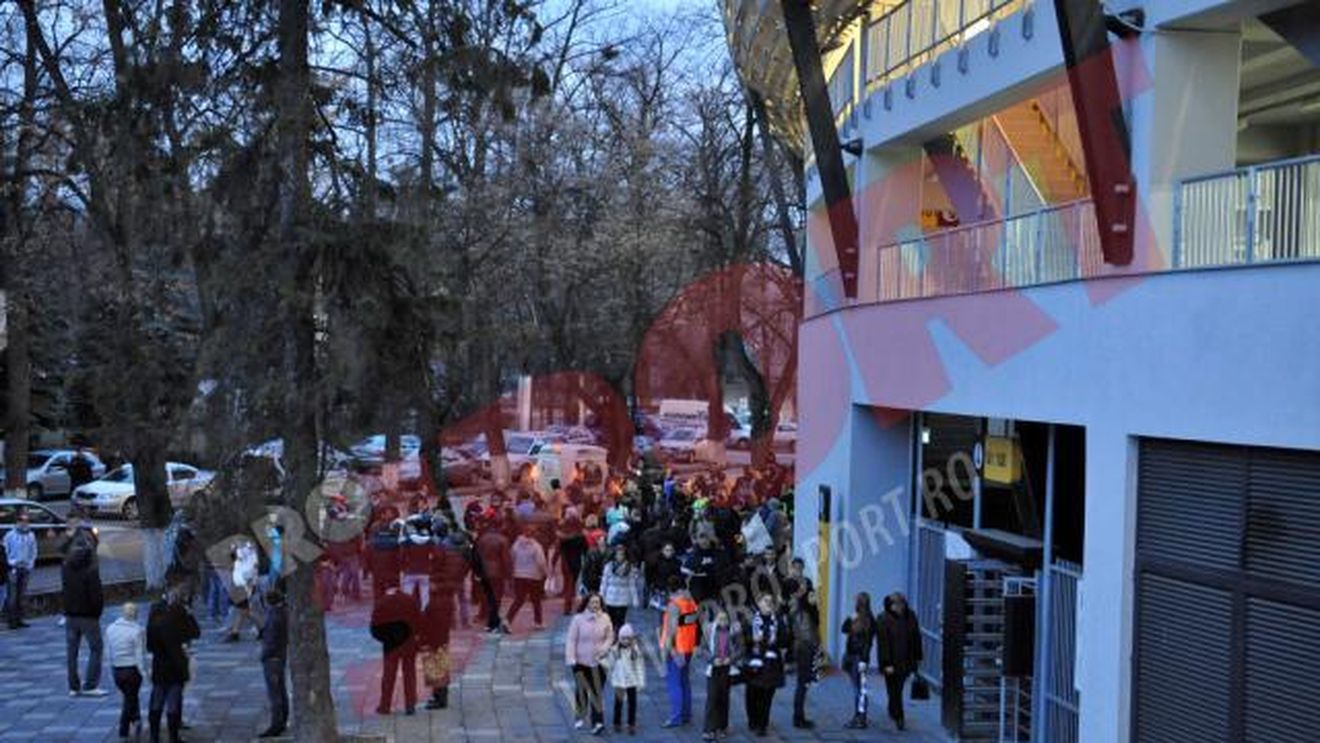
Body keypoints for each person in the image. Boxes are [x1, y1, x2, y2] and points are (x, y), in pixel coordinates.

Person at [146, 584, 201, 743]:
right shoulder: (180, 613)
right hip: (177, 661)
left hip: (159, 662)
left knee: (157, 697)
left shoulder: (155, 613)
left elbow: (149, 645)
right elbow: (195, 633)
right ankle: (173, 737)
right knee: (173, 699)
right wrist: (190, 615)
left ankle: (154, 736)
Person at [62, 531, 108, 695]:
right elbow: (96, 596)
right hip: (88, 616)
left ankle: (73, 687)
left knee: (71, 652)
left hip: (70, 616)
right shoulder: (90, 569)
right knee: (96, 648)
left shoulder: (66, 567)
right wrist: (97, 613)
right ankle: (90, 685)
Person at [371, 578, 423, 715]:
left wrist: (384, 639)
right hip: (409, 643)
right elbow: (419, 620)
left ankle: (385, 705)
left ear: (386, 586)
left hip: (391, 645)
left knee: (388, 675)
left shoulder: (381, 603)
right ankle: (410, 705)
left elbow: (374, 627)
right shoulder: (410, 600)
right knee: (410, 674)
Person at [565, 593, 615, 735]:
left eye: (597, 603)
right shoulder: (578, 619)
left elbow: (610, 636)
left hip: (599, 662)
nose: (595, 605)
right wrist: (571, 658)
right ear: (587, 603)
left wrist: (604, 649)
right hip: (580, 662)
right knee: (581, 691)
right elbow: (571, 640)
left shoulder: (605, 618)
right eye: (592, 602)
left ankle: (597, 722)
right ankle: (580, 715)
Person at [743, 593, 789, 736]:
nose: (768, 603)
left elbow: (784, 640)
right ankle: (753, 720)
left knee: (767, 694)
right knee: (752, 694)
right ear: (758, 603)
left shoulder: (778, 620)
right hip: (754, 662)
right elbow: (743, 640)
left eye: (770, 601)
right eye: (765, 601)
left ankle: (762, 724)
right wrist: (753, 639)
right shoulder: (751, 620)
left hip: (771, 662)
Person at [878, 591, 924, 731]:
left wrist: (918, 657)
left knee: (898, 688)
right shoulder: (883, 618)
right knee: (893, 689)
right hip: (891, 661)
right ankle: (898, 715)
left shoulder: (911, 617)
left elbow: (916, 637)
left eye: (901, 603)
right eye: (896, 604)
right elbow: (883, 644)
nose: (899, 607)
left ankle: (895, 711)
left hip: (906, 660)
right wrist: (886, 663)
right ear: (890, 605)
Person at [659, 576, 699, 728]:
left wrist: (672, 650)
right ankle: (686, 715)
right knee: (685, 682)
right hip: (688, 646)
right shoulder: (691, 602)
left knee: (674, 684)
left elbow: (671, 631)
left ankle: (676, 717)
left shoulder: (674, 605)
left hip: (677, 649)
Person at [701, 607, 743, 741]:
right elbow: (703, 649)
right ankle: (709, 729)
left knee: (724, 698)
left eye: (725, 619)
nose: (723, 622)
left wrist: (731, 659)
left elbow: (741, 648)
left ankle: (722, 726)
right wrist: (713, 659)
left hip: (727, 667)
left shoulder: (734, 631)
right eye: (720, 619)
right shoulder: (708, 630)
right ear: (715, 620)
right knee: (712, 698)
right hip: (714, 667)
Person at [107, 602, 147, 740]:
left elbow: (108, 652)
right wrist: (144, 673)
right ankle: (124, 730)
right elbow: (139, 656)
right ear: (135, 614)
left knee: (130, 697)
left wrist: (110, 669)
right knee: (129, 700)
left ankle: (137, 720)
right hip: (132, 671)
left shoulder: (110, 628)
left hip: (117, 671)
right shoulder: (137, 631)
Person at [841, 592, 877, 729]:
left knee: (859, 689)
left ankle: (860, 718)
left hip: (859, 657)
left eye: (856, 601)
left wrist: (864, 660)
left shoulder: (869, 620)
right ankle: (859, 716)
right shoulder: (855, 618)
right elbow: (844, 629)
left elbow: (868, 642)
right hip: (851, 655)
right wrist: (850, 617)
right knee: (858, 687)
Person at [788, 582, 821, 729]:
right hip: (804, 650)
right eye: (812, 595)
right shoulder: (803, 612)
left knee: (804, 685)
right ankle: (798, 718)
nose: (815, 598)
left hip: (806, 649)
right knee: (803, 684)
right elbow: (807, 635)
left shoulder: (808, 610)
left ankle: (800, 716)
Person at [258, 588, 289, 738]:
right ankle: (282, 719)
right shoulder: (284, 613)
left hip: (272, 658)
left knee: (275, 693)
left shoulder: (273, 616)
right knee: (281, 690)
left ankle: (276, 724)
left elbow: (270, 640)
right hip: (280, 656)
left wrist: (264, 656)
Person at [605, 623, 646, 734]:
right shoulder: (615, 650)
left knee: (632, 703)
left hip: (632, 681)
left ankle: (631, 724)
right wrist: (610, 675)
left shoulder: (635, 651)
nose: (626, 641)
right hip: (619, 681)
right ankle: (616, 723)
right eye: (623, 638)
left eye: (628, 639)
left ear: (632, 639)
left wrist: (641, 681)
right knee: (618, 703)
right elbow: (610, 664)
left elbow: (639, 666)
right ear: (619, 638)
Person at [505, 526, 549, 630]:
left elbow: (512, 558)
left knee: (519, 599)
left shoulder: (516, 545)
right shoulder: (536, 546)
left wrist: (513, 572)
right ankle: (538, 622)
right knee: (536, 600)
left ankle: (508, 620)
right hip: (534, 576)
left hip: (519, 575)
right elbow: (541, 562)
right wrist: (545, 573)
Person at [475, 524, 511, 632]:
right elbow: (506, 559)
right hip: (497, 571)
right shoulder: (503, 540)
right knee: (497, 595)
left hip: (484, 570)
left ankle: (484, 613)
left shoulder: (482, 539)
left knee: (485, 593)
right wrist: (508, 573)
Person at [4, 513, 36, 629]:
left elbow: (33, 551)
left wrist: (30, 564)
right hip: (13, 568)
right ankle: (11, 621)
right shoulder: (10, 535)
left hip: (25, 568)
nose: (24, 523)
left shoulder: (31, 535)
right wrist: (10, 563)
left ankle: (20, 619)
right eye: (21, 521)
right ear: (16, 522)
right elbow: (5, 550)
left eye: (26, 521)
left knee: (21, 595)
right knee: (12, 595)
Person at [226, 539, 260, 642]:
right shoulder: (239, 551)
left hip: (244, 584)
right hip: (239, 583)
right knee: (243, 610)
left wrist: (250, 583)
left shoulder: (249, 551)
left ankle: (235, 632)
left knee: (243, 609)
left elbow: (252, 568)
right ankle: (261, 628)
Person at [600, 545, 642, 630]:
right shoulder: (609, 566)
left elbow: (632, 584)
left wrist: (635, 599)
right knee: (610, 619)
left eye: (622, 554)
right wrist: (601, 596)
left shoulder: (629, 568)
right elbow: (604, 583)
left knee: (621, 620)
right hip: (610, 597)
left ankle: (619, 635)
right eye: (618, 554)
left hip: (623, 598)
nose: (620, 557)